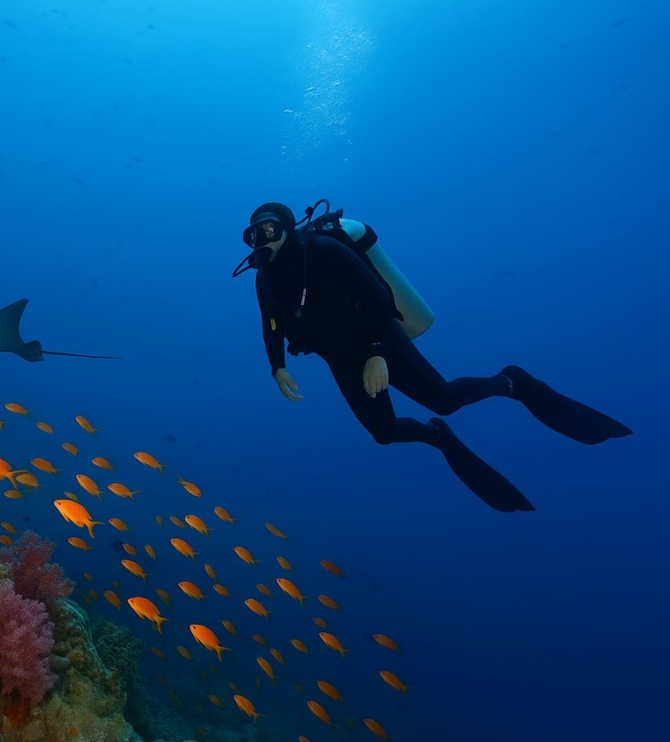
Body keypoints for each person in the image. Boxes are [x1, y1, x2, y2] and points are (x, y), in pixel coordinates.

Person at [236, 201, 632, 511]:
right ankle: (437, 435)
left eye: (269, 229)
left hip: (377, 338)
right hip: (339, 355)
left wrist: (376, 354)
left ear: (286, 228)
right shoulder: (264, 278)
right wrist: (277, 366)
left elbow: (375, 296)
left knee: (444, 399)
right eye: (254, 234)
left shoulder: (322, 250)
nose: (262, 240)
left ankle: (512, 381)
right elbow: (270, 322)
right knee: (384, 433)